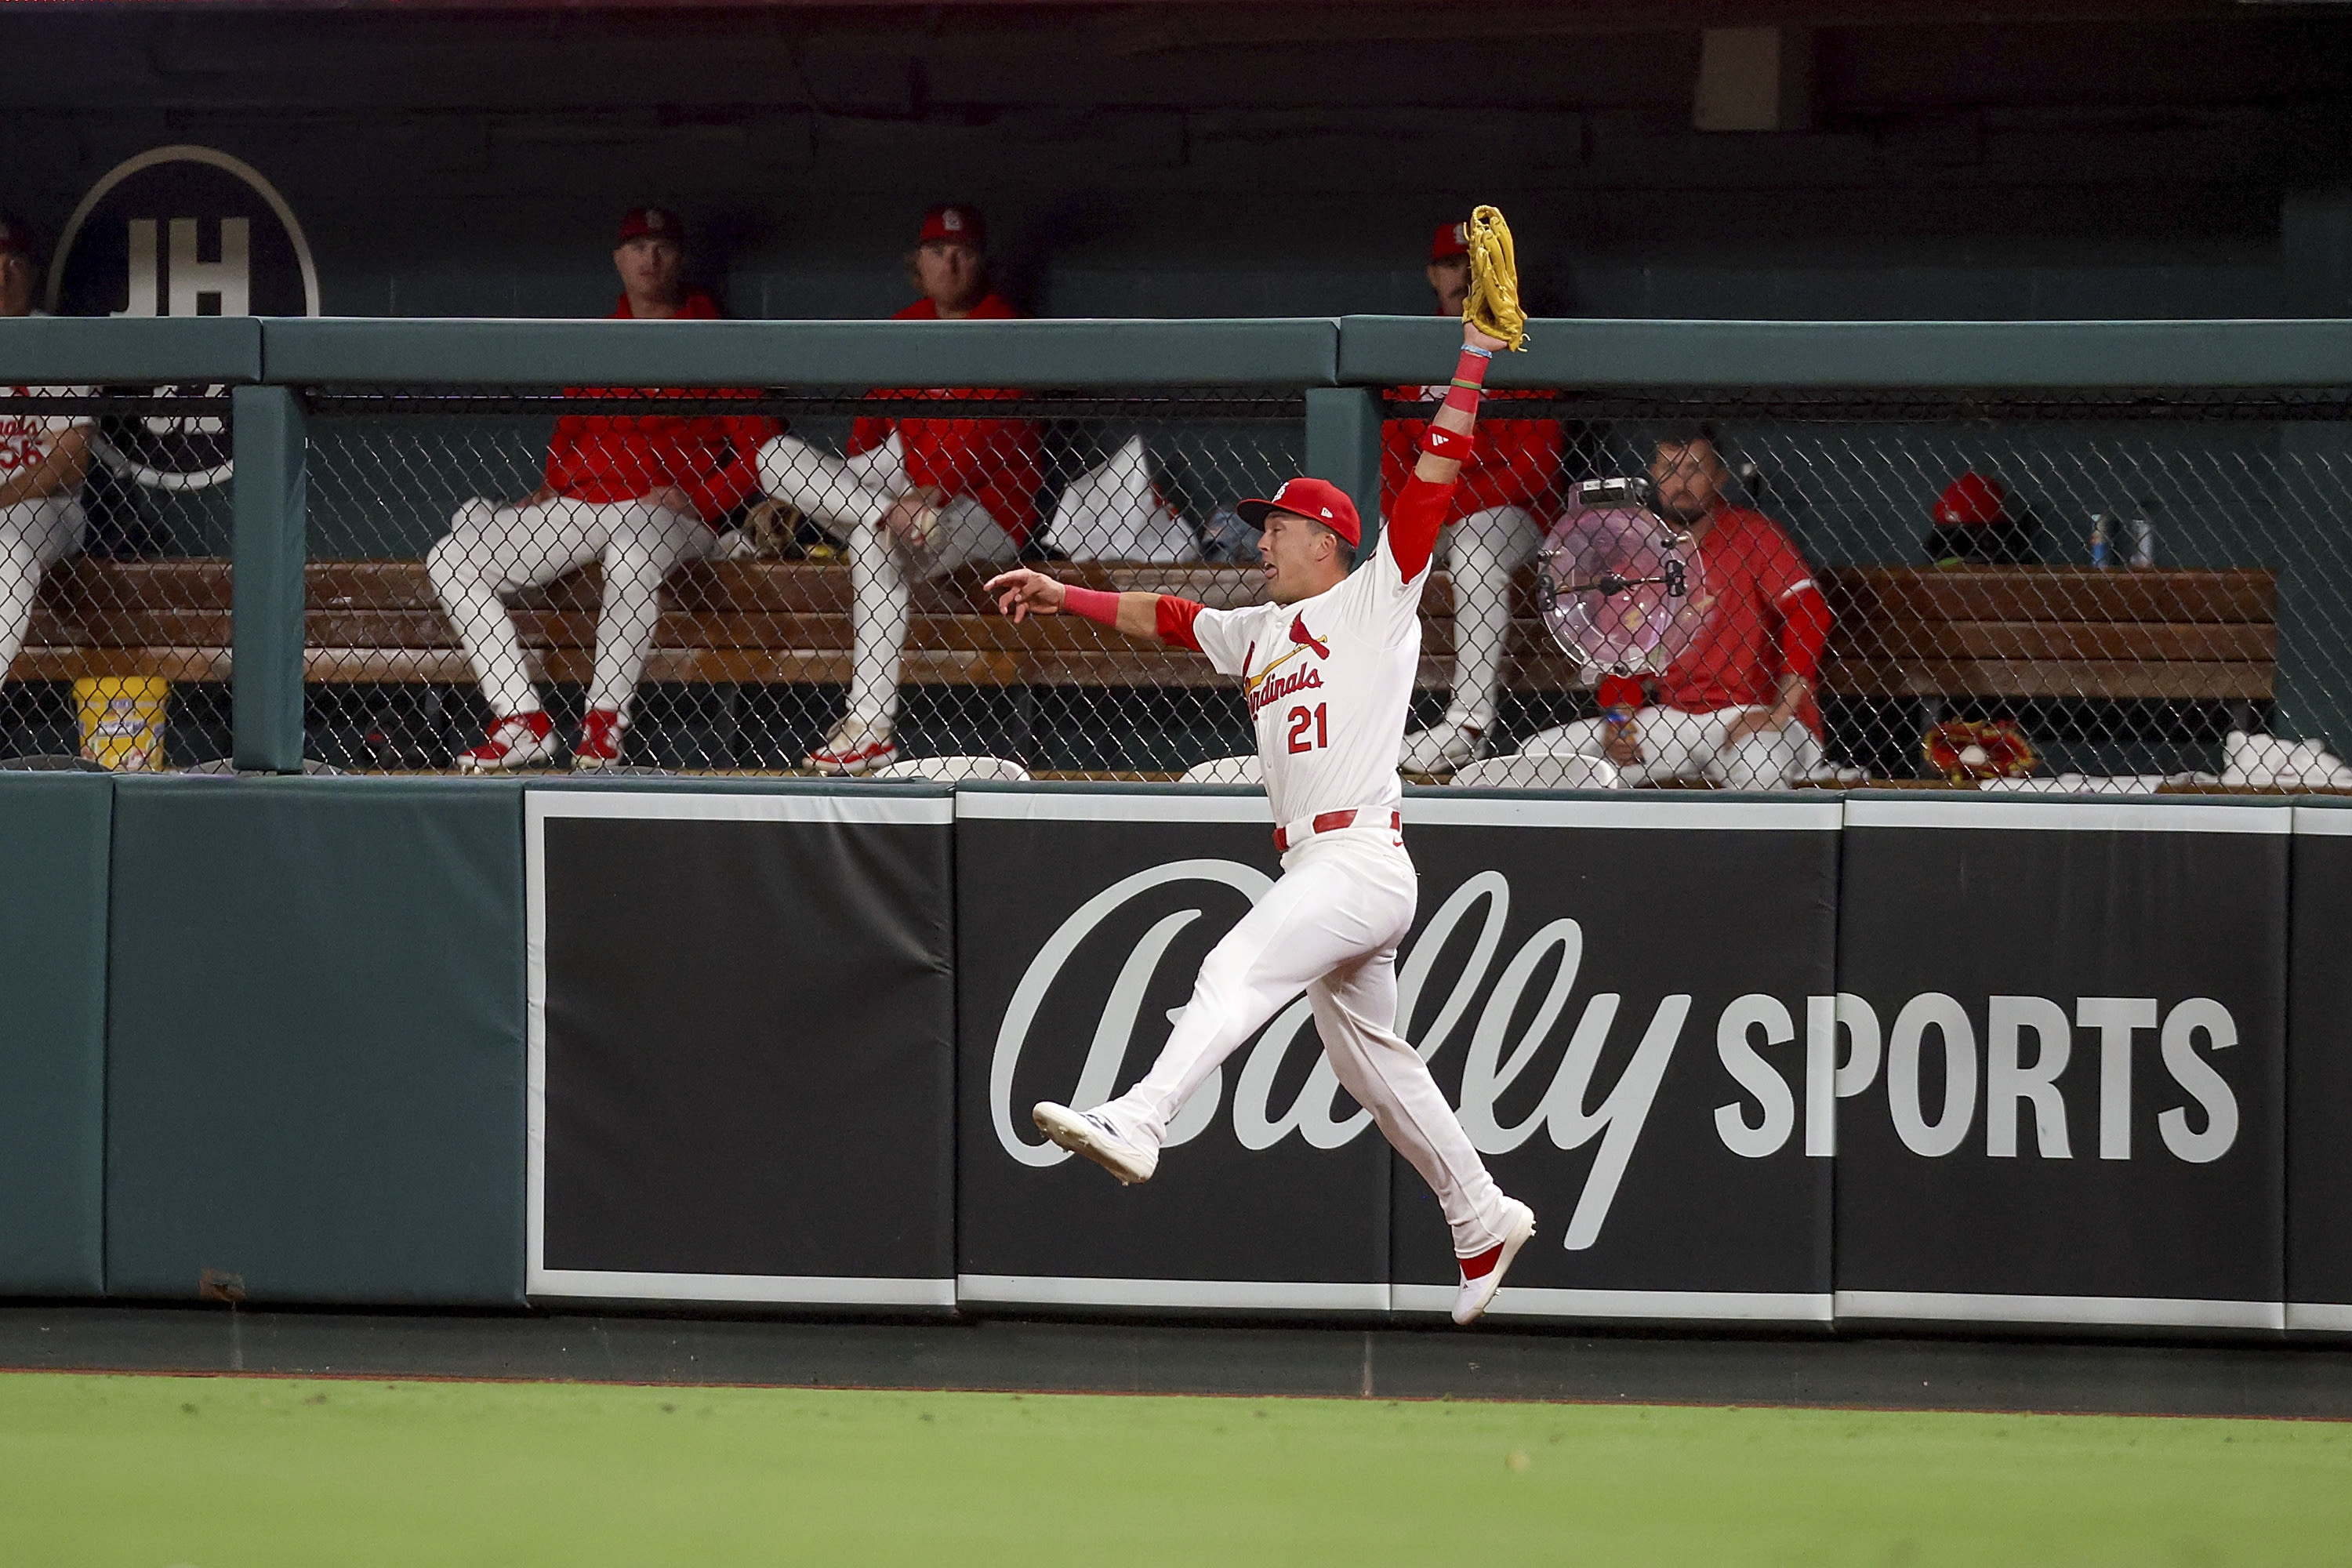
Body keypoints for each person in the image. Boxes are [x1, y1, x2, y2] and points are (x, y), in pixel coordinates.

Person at [987, 318, 1536, 1327]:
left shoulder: (1376, 599)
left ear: (1326, 542)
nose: (1262, 534)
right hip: (1328, 861)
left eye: (1278, 525)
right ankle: (1482, 1214)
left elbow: (1434, 478)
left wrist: (1474, 357)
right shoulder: (1256, 629)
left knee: (1234, 963)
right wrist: (1060, 591)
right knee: (1373, 1064)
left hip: (1359, 852)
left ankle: (1144, 1115)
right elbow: (1165, 614)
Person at [429, 207, 779, 771]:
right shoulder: (599, 338)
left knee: (633, 551)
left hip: (663, 513)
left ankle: (603, 726)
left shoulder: (715, 337)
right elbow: (569, 432)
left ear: (680, 258)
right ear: (618, 260)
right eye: (637, 246)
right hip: (581, 505)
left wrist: (703, 499)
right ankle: (521, 719)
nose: (650, 257)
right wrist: (549, 487)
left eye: (662, 245)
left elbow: (764, 455)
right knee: (453, 557)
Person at [758, 204, 1044, 775]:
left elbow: (980, 443)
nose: (952, 263)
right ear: (919, 262)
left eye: (963, 251)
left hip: (987, 508)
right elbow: (867, 440)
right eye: (938, 251)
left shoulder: (1005, 329)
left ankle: (870, 727)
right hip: (904, 499)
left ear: (982, 260)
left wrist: (927, 497)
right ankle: (877, 513)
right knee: (773, 458)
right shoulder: (904, 327)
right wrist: (884, 500)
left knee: (872, 543)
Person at [1519, 423, 1832, 788]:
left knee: (1760, 770)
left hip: (1753, 715)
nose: (1681, 483)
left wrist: (1779, 713)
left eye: (1694, 470)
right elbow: (1622, 649)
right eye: (1669, 470)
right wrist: (1620, 725)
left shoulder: (1755, 534)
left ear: (1719, 477)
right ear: (1652, 476)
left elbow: (1809, 612)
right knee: (1535, 757)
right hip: (1675, 719)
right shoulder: (1644, 547)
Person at [1391, 220, 1565, 775]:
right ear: (1431, 273)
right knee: (1360, 550)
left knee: (1474, 550)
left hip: (1512, 517)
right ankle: (1354, 718)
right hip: (1431, 507)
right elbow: (1390, 457)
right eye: (1450, 264)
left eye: (1476, 263)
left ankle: (1467, 725)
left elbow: (1535, 464)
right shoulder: (1409, 348)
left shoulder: (1524, 340)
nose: (1462, 274)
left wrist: (1447, 505)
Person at [0, 218, 96, 695]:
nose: (5, 275)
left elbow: (71, 457)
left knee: (10, 544)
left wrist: (3, 498)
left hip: (48, 511)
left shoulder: (54, 337)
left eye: (12, 264)